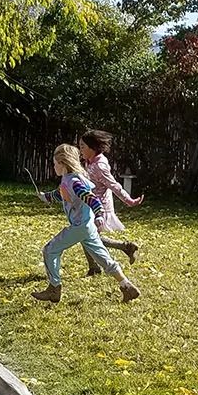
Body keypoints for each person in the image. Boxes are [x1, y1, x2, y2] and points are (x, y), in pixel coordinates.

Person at [32, 143, 139, 304]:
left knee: (50, 250)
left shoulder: (74, 181)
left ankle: (54, 288)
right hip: (87, 227)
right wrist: (45, 197)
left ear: (63, 163)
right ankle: (127, 286)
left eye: (55, 164)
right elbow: (61, 194)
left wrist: (100, 214)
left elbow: (90, 198)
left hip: (80, 226)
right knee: (103, 258)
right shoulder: (70, 179)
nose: (53, 167)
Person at [77, 128, 142, 277]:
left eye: (82, 146)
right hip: (90, 205)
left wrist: (129, 200)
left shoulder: (100, 166)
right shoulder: (90, 161)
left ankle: (98, 266)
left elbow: (114, 185)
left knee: (87, 236)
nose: (80, 150)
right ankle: (122, 249)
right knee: (87, 236)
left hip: (99, 208)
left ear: (92, 148)